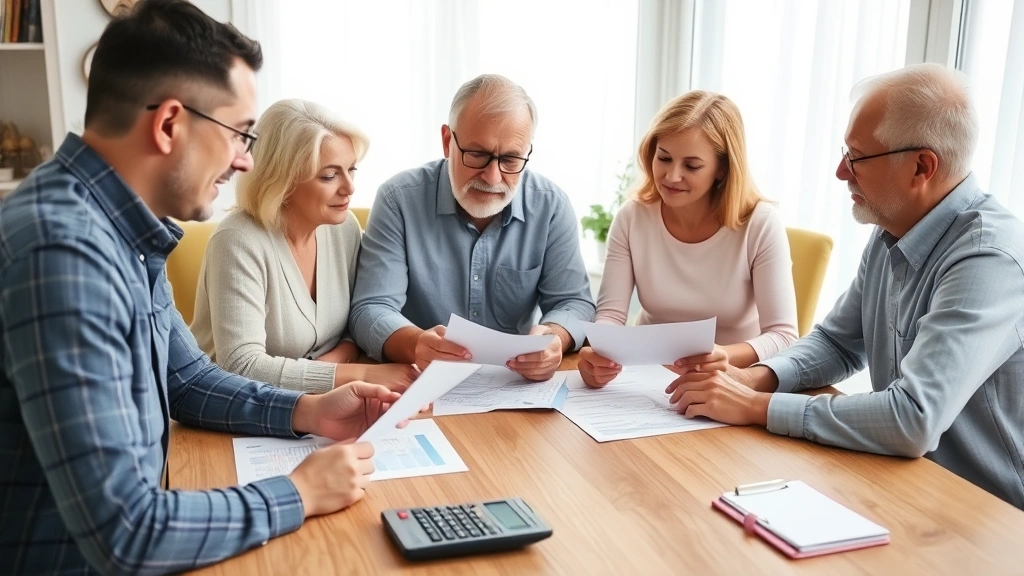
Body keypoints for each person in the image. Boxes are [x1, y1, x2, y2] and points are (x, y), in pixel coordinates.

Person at [0, 2, 412, 574]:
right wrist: (297, 493)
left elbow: (188, 380)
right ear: (169, 124)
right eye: (239, 133)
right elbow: (126, 532)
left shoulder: (119, 229)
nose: (245, 161)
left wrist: (311, 410)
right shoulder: (64, 252)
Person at [667, 63, 1024, 509]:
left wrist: (755, 407)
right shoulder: (894, 228)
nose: (840, 171)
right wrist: (755, 379)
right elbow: (837, 343)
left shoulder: (988, 258)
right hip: (902, 483)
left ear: (921, 166)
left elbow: (913, 418)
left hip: (984, 511)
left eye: (857, 157)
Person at [349, 74, 596, 381]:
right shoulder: (398, 199)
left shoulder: (551, 206)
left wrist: (553, 339)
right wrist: (415, 344)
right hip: (422, 381)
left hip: (515, 384)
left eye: (510, 159)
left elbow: (574, 303)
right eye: (477, 155)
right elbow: (371, 307)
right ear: (447, 142)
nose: (493, 177)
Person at [190, 99, 418, 393]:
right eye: (329, 176)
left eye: (351, 169)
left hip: (321, 401)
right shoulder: (237, 240)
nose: (349, 188)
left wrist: (334, 364)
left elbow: (357, 319)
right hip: (232, 406)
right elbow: (241, 366)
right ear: (282, 180)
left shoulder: (344, 228)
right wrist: (359, 373)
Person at [578, 91, 798, 388]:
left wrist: (724, 356)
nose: (672, 176)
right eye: (664, 158)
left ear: (722, 168)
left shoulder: (760, 224)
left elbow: (783, 336)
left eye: (691, 166)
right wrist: (602, 355)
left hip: (730, 383)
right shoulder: (632, 217)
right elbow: (610, 315)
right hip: (645, 379)